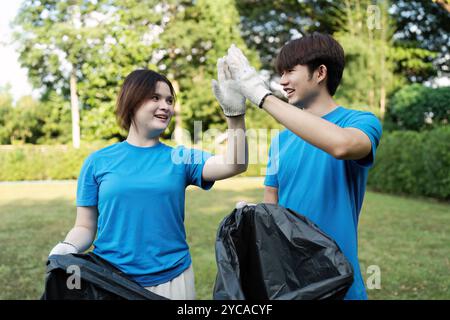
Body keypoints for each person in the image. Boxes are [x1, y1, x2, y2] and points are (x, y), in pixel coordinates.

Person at [48, 67, 248, 300]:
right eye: (155, 97)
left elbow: (235, 164)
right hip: (111, 280)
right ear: (132, 101)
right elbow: (84, 226)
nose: (166, 106)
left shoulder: (180, 158)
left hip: (173, 279)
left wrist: (235, 116)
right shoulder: (97, 161)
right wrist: (68, 247)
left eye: (169, 100)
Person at [224, 32, 382, 300]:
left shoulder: (360, 121)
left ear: (320, 73)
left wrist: (262, 96)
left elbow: (342, 146)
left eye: (289, 71)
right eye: (280, 73)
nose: (282, 81)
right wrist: (253, 216)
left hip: (338, 280)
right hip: (289, 283)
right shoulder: (281, 140)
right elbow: (272, 211)